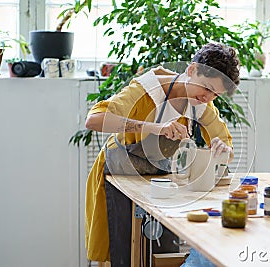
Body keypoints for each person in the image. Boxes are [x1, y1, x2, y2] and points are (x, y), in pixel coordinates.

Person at [84, 42, 241, 262]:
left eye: (216, 94)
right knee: (123, 253)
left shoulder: (201, 104)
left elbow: (226, 145)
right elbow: (94, 120)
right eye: (206, 88)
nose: (208, 97)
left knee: (161, 252)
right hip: (118, 176)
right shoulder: (146, 89)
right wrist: (154, 128)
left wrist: (223, 151)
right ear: (191, 70)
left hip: (156, 180)